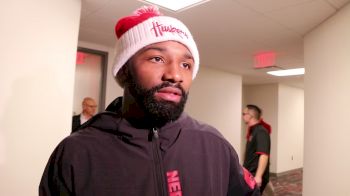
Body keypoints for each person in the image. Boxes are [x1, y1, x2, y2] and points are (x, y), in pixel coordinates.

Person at [39, 6, 260, 196]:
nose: (175, 75)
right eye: (157, 58)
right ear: (124, 70)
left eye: (186, 65)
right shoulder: (76, 152)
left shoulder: (213, 143)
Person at [242, 104, 271, 194]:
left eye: (244, 114)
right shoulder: (253, 131)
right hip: (250, 173)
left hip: (255, 175)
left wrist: (258, 176)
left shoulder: (261, 132)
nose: (242, 116)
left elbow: (264, 155)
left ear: (250, 116)